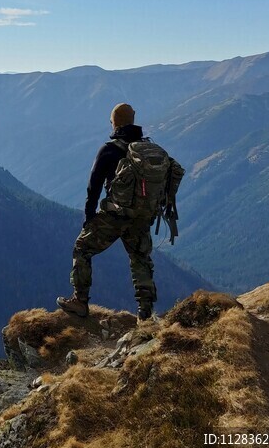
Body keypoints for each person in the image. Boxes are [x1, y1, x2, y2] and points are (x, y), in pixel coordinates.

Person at [57, 103, 184, 320]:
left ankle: (80, 301)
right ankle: (145, 312)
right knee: (140, 259)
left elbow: (94, 185)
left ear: (115, 122)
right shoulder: (149, 151)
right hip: (142, 217)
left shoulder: (110, 149)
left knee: (82, 248)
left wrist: (89, 217)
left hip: (115, 216)